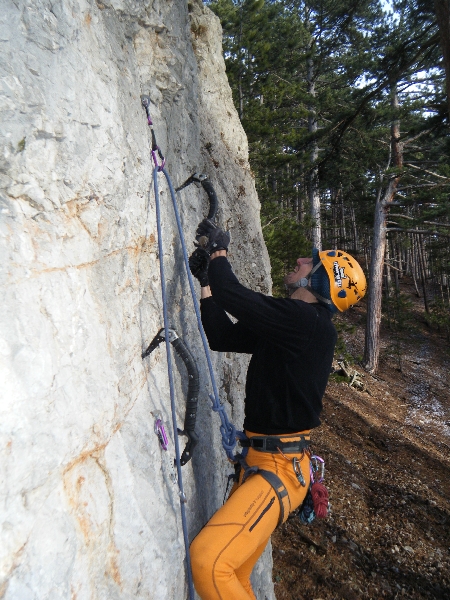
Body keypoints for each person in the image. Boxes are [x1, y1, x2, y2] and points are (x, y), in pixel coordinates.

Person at [188, 220, 367, 600]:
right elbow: (223, 337)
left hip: (278, 470)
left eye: (311, 263)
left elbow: (234, 294)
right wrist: (207, 283)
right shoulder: (297, 327)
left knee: (209, 561)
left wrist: (219, 253)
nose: (302, 260)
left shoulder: (308, 323)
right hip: (267, 464)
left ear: (318, 282)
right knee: (232, 571)